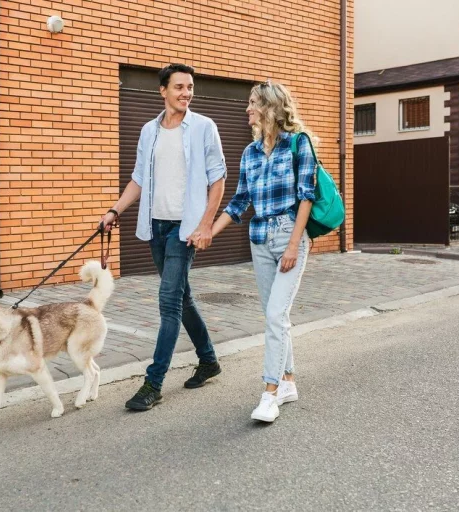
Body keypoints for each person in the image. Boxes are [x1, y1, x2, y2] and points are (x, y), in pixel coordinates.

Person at [100, 63, 227, 411]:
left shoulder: (204, 127)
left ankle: (153, 383)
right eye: (179, 87)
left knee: (168, 301)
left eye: (190, 87)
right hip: (155, 226)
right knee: (183, 299)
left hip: (184, 230)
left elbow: (218, 179)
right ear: (163, 91)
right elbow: (139, 179)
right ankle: (208, 360)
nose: (186, 93)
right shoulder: (148, 131)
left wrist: (205, 225)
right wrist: (114, 211)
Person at [206, 81, 316, 423]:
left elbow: (306, 196)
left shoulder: (298, 143)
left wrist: (295, 244)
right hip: (259, 238)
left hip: (288, 234)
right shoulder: (250, 153)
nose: (247, 109)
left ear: (270, 107)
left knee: (274, 316)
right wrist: (209, 231)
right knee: (275, 314)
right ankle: (288, 381)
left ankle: (269, 393)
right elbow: (240, 202)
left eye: (253, 103)